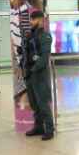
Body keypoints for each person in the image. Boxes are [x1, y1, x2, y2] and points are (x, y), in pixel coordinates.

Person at [24, 11, 54, 141]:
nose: (31, 22)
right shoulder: (30, 35)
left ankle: (49, 129)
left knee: (42, 103)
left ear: (41, 20)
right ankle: (38, 127)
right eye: (31, 19)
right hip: (30, 74)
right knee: (34, 103)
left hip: (39, 75)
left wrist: (34, 69)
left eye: (34, 19)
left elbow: (44, 57)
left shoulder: (45, 36)